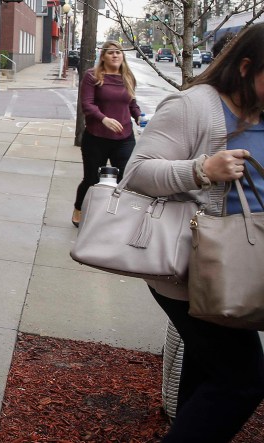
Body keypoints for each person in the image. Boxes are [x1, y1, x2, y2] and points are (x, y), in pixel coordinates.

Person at [125, 23, 264, 442]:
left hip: (245, 262)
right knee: (244, 380)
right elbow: (137, 172)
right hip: (192, 273)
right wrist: (202, 170)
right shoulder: (194, 106)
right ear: (244, 67)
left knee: (209, 372)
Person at [72, 41, 141, 226]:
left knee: (125, 178)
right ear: (103, 56)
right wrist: (104, 119)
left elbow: (132, 103)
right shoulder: (92, 76)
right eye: (111, 52)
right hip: (96, 137)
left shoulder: (128, 77)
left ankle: (113, 216)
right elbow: (87, 104)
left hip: (124, 137)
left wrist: (139, 117)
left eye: (118, 52)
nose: (115, 55)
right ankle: (79, 208)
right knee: (92, 179)